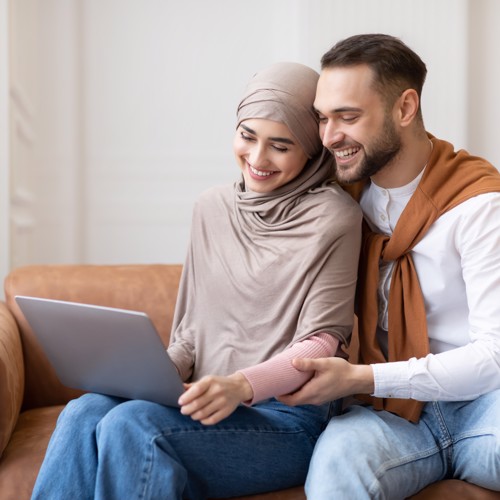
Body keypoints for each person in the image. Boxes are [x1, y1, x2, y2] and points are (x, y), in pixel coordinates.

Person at [30, 62, 362, 499]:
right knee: (84, 410)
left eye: (281, 146)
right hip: (202, 403)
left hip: (285, 421)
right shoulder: (212, 208)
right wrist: (155, 374)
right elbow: (190, 334)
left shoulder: (334, 216)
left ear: (311, 153)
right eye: (247, 136)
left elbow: (322, 341)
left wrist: (240, 385)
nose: (258, 159)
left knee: (134, 425)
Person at [279, 34, 500, 498]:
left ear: (405, 109)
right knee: (339, 460)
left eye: (349, 116)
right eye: (323, 118)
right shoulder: (339, 200)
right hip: (388, 413)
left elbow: (494, 359)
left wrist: (361, 376)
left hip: (486, 405)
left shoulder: (479, 206)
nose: (329, 136)